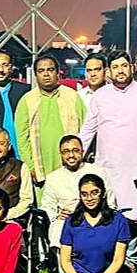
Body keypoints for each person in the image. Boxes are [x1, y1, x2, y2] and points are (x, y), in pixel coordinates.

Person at [78, 50, 137, 225]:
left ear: (131, 67)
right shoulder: (100, 96)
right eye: (115, 67)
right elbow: (87, 130)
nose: (120, 70)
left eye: (124, 66)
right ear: (109, 71)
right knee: (107, 217)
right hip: (107, 168)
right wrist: (75, 157)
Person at [59, 174, 132, 273]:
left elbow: (118, 260)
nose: (89, 198)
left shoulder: (118, 220)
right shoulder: (71, 221)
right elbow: (65, 260)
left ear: (103, 193)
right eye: (84, 194)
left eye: (94, 193)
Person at [15, 54, 87, 193]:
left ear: (58, 73)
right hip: (41, 168)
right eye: (41, 71)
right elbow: (22, 139)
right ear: (36, 75)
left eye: (50, 70)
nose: (46, 74)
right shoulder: (27, 100)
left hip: (71, 164)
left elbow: (85, 131)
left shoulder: (72, 96)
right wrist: (31, 167)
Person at [41, 135, 115, 247]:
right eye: (66, 151)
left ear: (82, 152)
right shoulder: (53, 178)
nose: (71, 155)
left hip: (95, 219)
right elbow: (47, 206)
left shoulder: (97, 171)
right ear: (61, 154)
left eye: (75, 150)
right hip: (66, 221)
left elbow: (110, 201)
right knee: (58, 229)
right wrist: (56, 215)